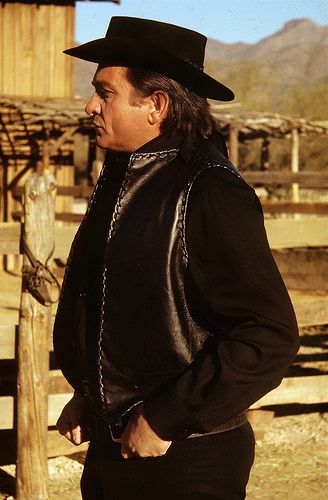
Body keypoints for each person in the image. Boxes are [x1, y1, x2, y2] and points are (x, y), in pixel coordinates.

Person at [54, 16, 299, 500]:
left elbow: (267, 335)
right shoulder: (120, 179)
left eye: (105, 92)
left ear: (157, 105)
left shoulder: (208, 191)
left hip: (186, 460)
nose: (89, 106)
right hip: (113, 445)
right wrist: (89, 391)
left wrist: (167, 417)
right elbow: (119, 307)